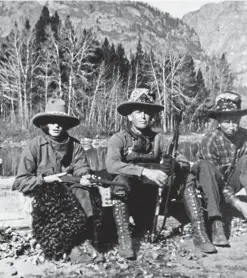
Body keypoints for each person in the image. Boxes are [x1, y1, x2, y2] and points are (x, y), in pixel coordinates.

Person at [106, 88, 217, 260]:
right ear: (129, 116)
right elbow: (111, 165)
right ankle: (125, 239)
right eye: (138, 112)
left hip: (157, 192)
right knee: (119, 182)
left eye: (147, 112)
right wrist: (144, 171)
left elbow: (183, 161)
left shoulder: (160, 139)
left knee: (186, 179)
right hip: (133, 193)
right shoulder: (119, 139)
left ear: (152, 116)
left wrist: (174, 165)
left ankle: (200, 233)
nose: (143, 116)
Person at [12, 98, 103, 262]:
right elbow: (20, 181)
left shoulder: (75, 145)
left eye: (60, 122)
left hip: (70, 189)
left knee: (88, 194)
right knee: (56, 199)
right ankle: (68, 247)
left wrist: (85, 176)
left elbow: (81, 166)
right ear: (45, 124)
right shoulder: (34, 146)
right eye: (52, 122)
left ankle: (87, 240)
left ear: (65, 125)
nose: (56, 126)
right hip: (41, 192)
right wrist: (46, 180)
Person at [196, 91, 247, 246]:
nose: (232, 126)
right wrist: (238, 204)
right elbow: (217, 181)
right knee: (206, 168)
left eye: (235, 121)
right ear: (218, 121)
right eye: (227, 121)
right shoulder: (210, 140)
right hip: (213, 186)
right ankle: (216, 224)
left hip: (232, 182)